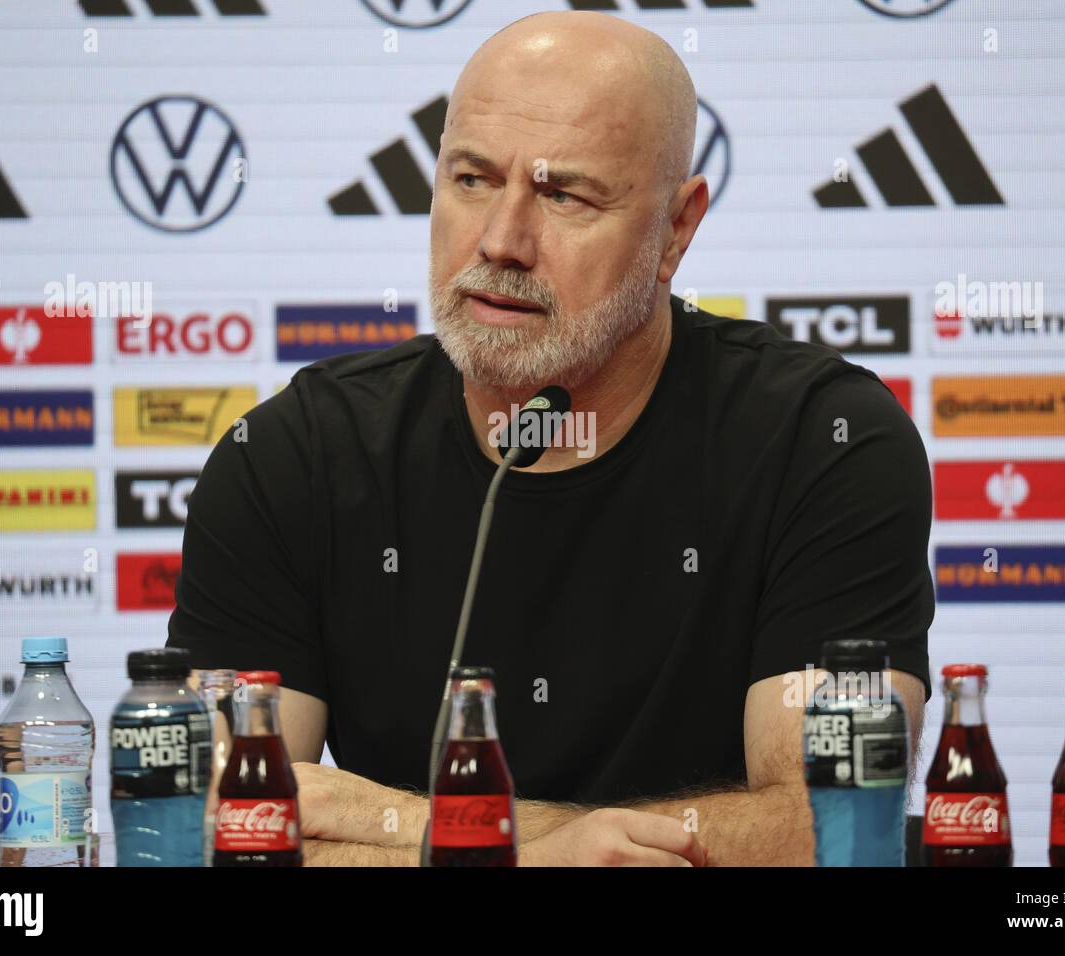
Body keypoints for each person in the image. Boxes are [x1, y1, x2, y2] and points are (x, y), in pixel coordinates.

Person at [166, 10, 933, 866]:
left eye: (563, 194)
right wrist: (538, 856)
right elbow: (208, 832)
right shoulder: (292, 456)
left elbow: (829, 832)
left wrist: (405, 825)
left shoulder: (822, 442)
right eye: (471, 180)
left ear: (676, 230)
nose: (500, 241)